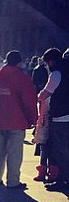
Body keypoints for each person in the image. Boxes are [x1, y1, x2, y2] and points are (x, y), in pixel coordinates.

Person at [0, 51, 37, 190]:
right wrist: (33, 119)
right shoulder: (22, 78)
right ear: (19, 62)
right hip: (16, 120)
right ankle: (13, 181)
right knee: (14, 153)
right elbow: (29, 101)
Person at [38, 47, 69, 191]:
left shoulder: (57, 73)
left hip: (61, 117)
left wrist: (38, 97)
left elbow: (46, 93)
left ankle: (62, 180)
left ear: (50, 61)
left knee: (60, 150)